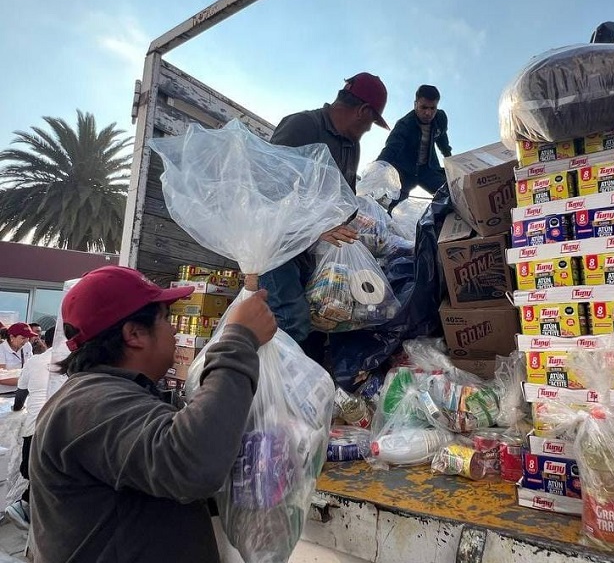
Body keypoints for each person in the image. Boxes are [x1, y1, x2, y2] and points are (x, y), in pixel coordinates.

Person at [28, 265, 277, 562]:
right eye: (166, 319)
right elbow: (193, 464)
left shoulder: (114, 395)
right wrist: (239, 340)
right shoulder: (90, 404)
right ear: (134, 334)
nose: (174, 330)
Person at [259, 73, 390, 360]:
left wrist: (356, 225)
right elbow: (269, 189)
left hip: (308, 251)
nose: (368, 129)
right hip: (276, 248)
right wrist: (317, 228)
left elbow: (345, 200)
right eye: (371, 123)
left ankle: (303, 396)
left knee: (322, 320)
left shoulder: (350, 146)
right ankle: (268, 398)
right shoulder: (302, 126)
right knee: (291, 322)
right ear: (364, 111)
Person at [4, 328, 56, 529]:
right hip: (57, 430)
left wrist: (17, 409)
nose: (26, 340)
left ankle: (26, 508)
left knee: (34, 475)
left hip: (35, 429)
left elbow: (20, 396)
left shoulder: (36, 360)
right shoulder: (78, 363)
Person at [376, 84, 452, 210]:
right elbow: (391, 148)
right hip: (405, 170)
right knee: (393, 206)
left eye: (433, 108)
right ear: (415, 104)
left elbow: (443, 139)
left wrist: (449, 159)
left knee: (450, 194)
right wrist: (378, 167)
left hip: (428, 169)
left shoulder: (440, 118)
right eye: (423, 107)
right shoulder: (404, 124)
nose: (428, 113)